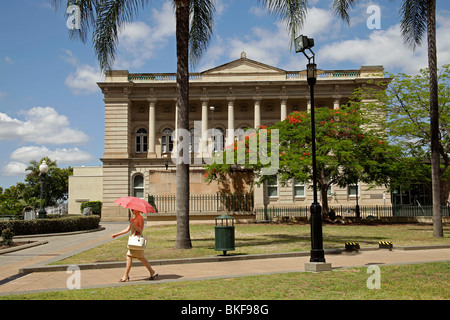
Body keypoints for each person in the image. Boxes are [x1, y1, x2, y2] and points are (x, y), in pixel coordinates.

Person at [112, 209, 158, 282]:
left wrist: (133, 223)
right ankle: (152, 271)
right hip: (134, 241)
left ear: (138, 210)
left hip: (137, 240)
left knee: (130, 256)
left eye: (133, 209)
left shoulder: (140, 218)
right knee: (140, 258)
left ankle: (126, 275)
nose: (131, 210)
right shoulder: (133, 218)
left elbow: (140, 230)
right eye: (131, 209)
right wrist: (117, 234)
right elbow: (127, 229)